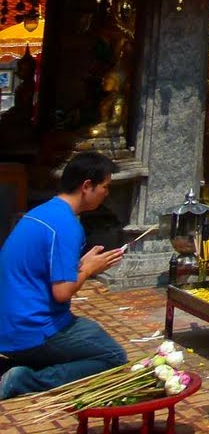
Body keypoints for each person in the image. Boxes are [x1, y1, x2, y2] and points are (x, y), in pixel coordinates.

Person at [0, 152, 126, 399]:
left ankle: (14, 365)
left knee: (90, 334)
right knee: (113, 356)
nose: (106, 193)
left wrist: (81, 264)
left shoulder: (44, 211)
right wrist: (89, 269)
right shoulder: (67, 225)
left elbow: (45, 270)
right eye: (105, 187)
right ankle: (25, 380)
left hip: (9, 324)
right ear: (87, 186)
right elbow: (61, 292)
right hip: (32, 329)